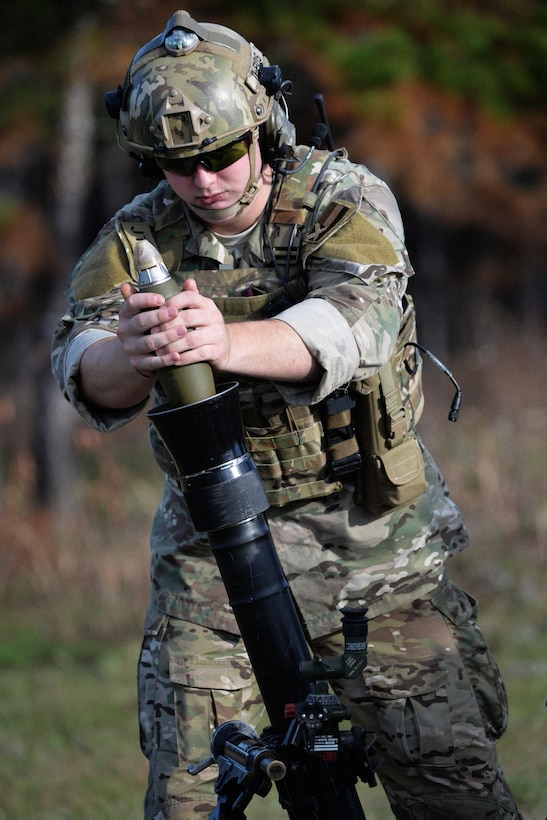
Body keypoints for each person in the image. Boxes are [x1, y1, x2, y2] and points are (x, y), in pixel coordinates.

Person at [51, 10, 521, 820]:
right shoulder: (137, 241)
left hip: (372, 552)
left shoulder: (341, 197)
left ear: (263, 127)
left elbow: (354, 327)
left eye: (221, 153)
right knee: (187, 796)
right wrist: (128, 354)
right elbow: (79, 363)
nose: (204, 181)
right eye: (177, 165)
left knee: (452, 792)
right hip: (213, 564)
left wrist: (219, 338)